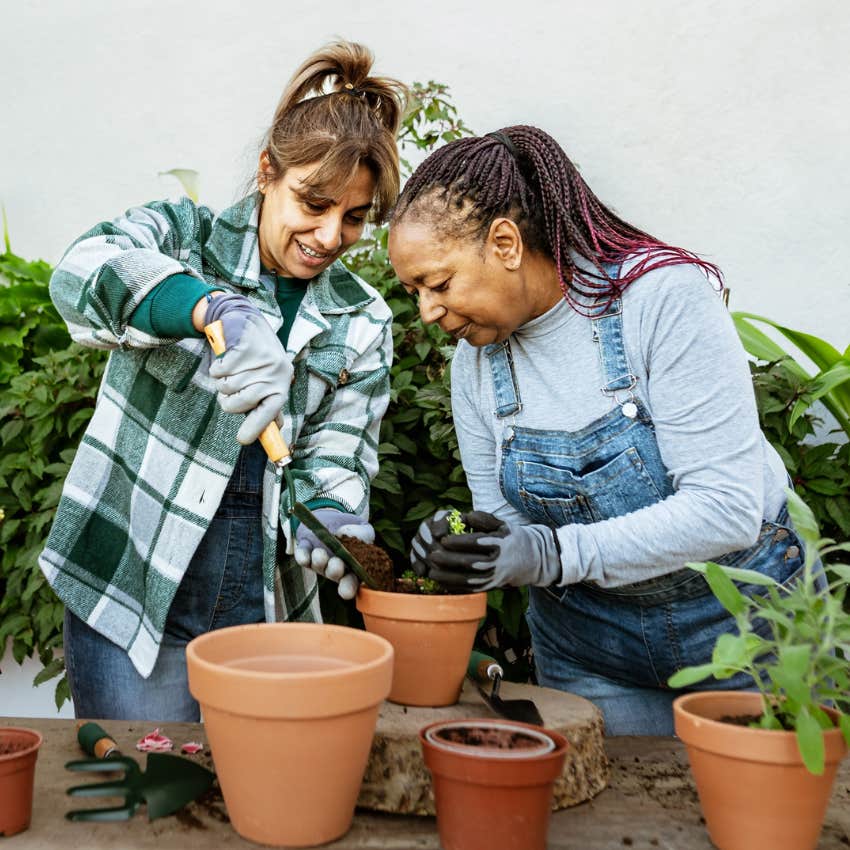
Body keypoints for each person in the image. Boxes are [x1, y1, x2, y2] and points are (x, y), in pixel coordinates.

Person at [390, 126, 805, 736]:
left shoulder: (660, 300)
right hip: (589, 651)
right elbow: (510, 525)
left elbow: (726, 509)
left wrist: (552, 552)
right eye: (415, 291)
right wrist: (471, 546)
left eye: (439, 283)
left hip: (742, 633)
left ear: (504, 242)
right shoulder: (473, 364)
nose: (426, 310)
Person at [40, 41, 406, 721]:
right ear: (268, 172)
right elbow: (81, 273)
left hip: (266, 610)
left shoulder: (363, 319)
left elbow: (337, 454)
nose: (330, 235)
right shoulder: (183, 239)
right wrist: (209, 307)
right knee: (151, 803)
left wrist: (329, 516)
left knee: (259, 801)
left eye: (354, 217)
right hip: (131, 588)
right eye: (314, 202)